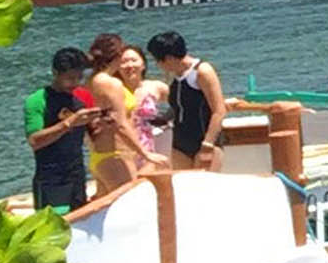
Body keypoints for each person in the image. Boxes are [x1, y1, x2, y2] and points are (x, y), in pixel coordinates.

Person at [25, 46, 95, 209]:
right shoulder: (37, 100)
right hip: (50, 178)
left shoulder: (80, 96)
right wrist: (68, 123)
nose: (75, 83)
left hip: (76, 173)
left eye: (79, 77)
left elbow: (91, 134)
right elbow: (35, 141)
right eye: (70, 78)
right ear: (55, 73)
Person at [147, 30, 225, 173]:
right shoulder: (176, 76)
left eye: (157, 60)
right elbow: (180, 106)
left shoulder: (202, 72)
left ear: (169, 58)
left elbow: (219, 110)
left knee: (203, 186)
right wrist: (159, 119)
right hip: (180, 142)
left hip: (203, 140)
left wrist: (208, 144)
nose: (158, 65)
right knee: (183, 187)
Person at [81, 33, 143, 190]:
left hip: (100, 154)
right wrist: (144, 153)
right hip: (116, 155)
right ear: (118, 54)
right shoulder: (111, 83)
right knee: (130, 204)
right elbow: (120, 123)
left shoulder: (89, 81)